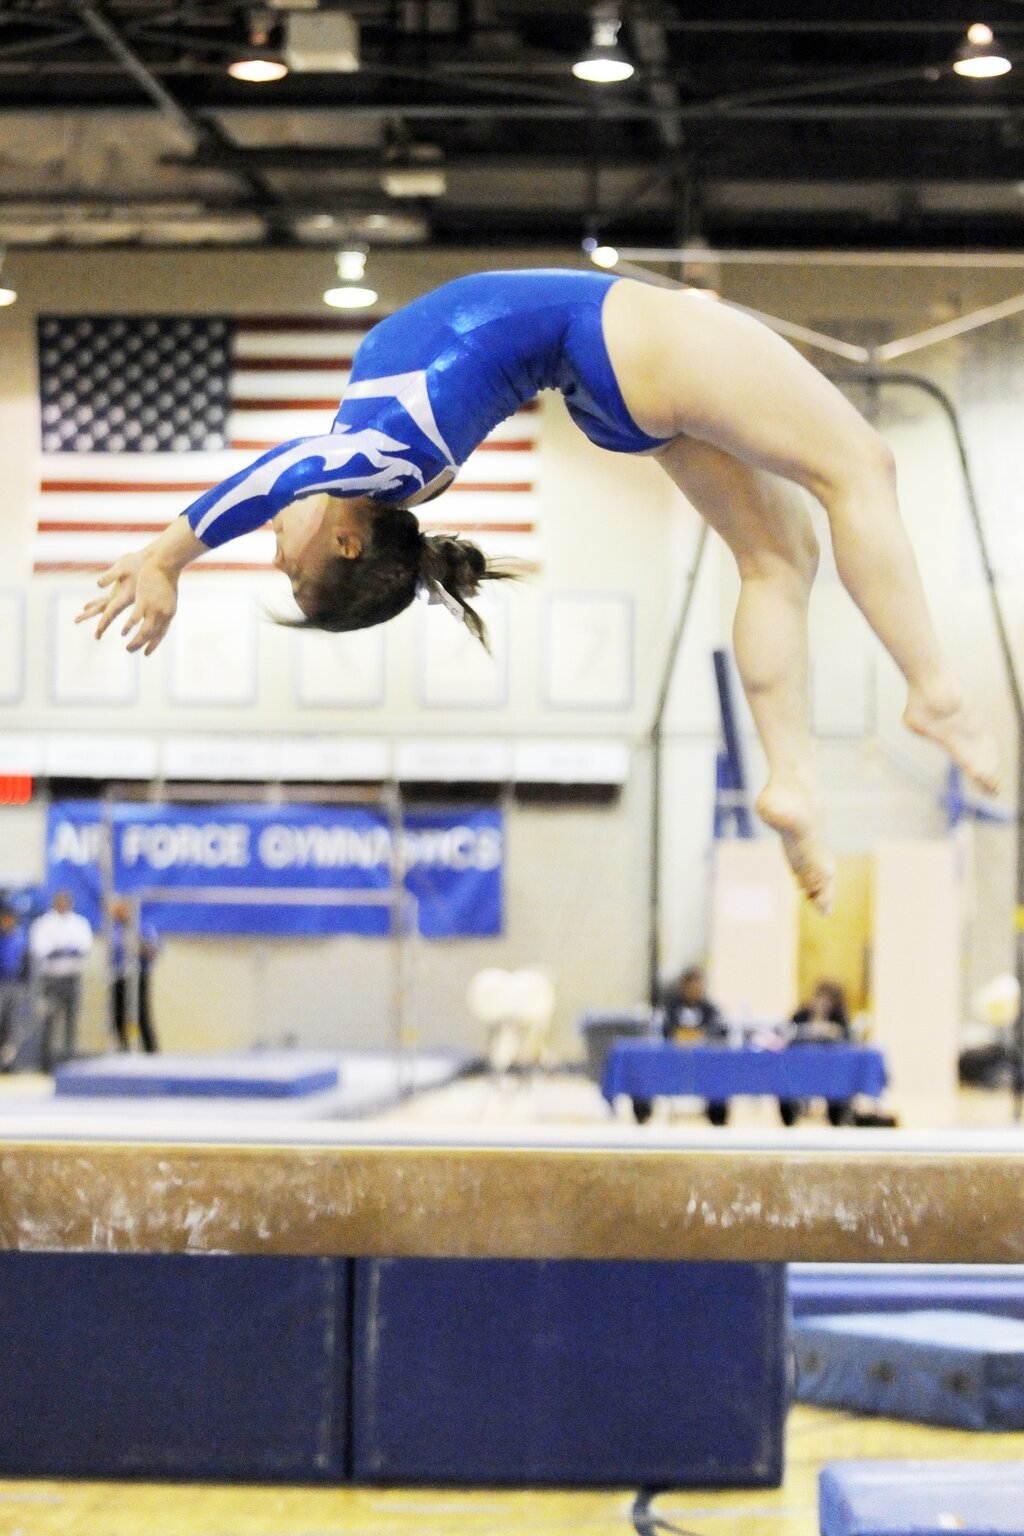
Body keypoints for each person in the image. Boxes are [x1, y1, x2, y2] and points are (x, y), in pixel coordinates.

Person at [76, 268, 1000, 913]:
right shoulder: (382, 457)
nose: (275, 551)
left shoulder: (387, 465)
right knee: (862, 470)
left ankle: (792, 783)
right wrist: (167, 556)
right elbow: (278, 473)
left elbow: (290, 475)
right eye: (295, 563)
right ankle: (937, 693)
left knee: (775, 558)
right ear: (348, 539)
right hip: (622, 334)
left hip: (612, 386)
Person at [29, 890, 93, 1073]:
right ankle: (46, 1064)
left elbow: (83, 946)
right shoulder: (43, 923)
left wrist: (62, 950)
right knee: (49, 1021)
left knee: (71, 1021)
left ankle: (69, 1062)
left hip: (72, 977)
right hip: (51, 979)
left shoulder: (79, 923)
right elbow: (40, 949)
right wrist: (61, 950)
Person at [780, 979, 852, 1127]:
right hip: (800, 1066)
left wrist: (834, 1033)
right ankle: (790, 1117)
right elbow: (788, 1034)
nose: (821, 1003)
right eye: (819, 998)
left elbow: (848, 1040)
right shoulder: (801, 1014)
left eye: (827, 1000)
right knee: (784, 1077)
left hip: (830, 1068)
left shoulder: (838, 1017)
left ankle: (836, 1120)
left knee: (839, 1082)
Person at [108, 897, 160, 1054]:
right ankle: (125, 1049)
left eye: (123, 909)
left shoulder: (144, 927)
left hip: (138, 976)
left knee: (141, 1016)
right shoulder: (114, 929)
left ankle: (152, 1053)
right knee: (119, 1017)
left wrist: (139, 947)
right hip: (119, 977)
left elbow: (153, 951)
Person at [662, 966, 727, 1042]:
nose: (694, 991)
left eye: (697, 988)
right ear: (683, 987)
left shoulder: (710, 1010)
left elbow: (718, 1030)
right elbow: (666, 1030)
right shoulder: (671, 1008)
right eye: (690, 988)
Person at [0, 904, 28, 1070]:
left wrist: (25, 986)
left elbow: (26, 965)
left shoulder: (20, 939)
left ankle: (9, 1062)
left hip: (15, 985)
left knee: (12, 1025)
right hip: (1, 984)